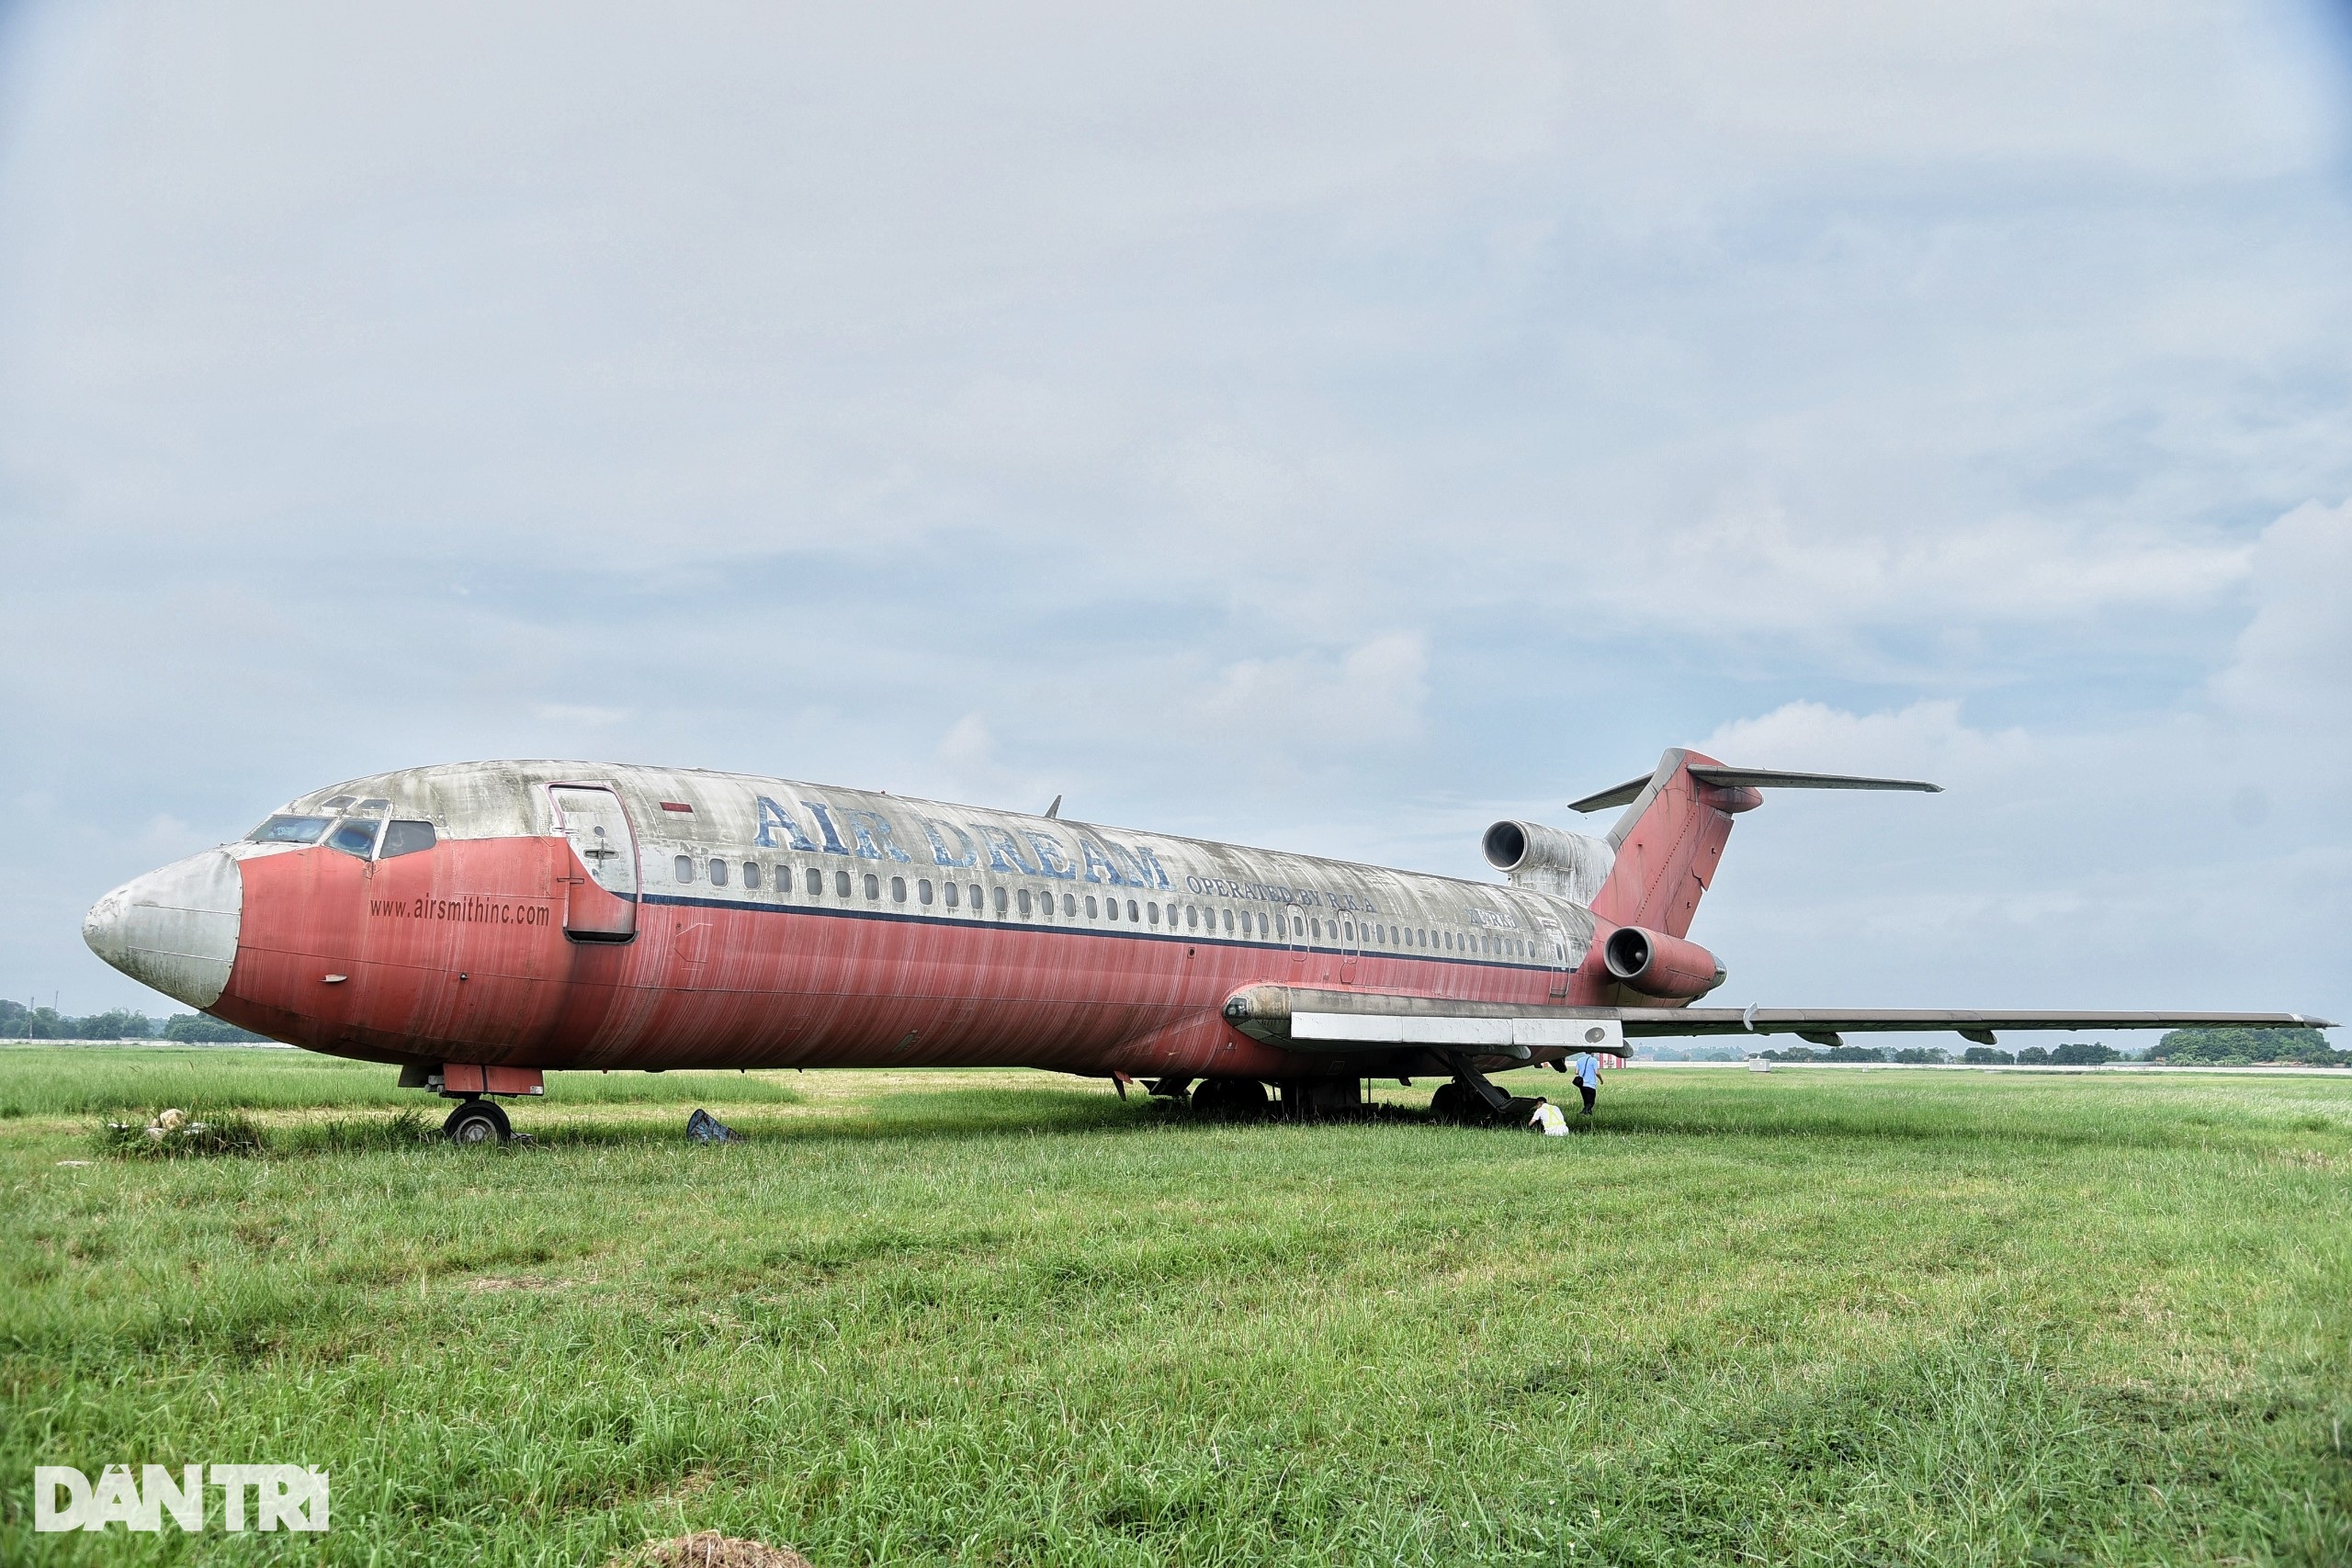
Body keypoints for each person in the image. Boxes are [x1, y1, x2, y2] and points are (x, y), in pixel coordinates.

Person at [1571, 1051, 1602, 1116]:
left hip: (1582, 1085)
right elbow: (1597, 1073)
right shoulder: (1593, 1060)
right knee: (1591, 1103)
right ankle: (1583, 1113)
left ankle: (1589, 1114)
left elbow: (1576, 1072)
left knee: (1586, 1102)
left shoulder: (1579, 1060)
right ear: (1592, 1053)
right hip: (1590, 1085)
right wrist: (1601, 1080)